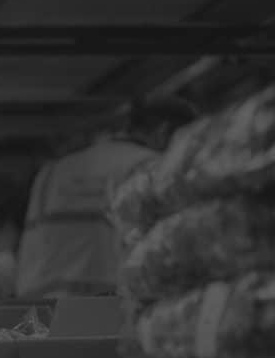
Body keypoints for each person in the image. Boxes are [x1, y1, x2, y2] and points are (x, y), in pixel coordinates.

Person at [14, 96, 199, 299]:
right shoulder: (149, 166)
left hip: (35, 309)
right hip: (100, 310)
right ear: (163, 132)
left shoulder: (52, 171)